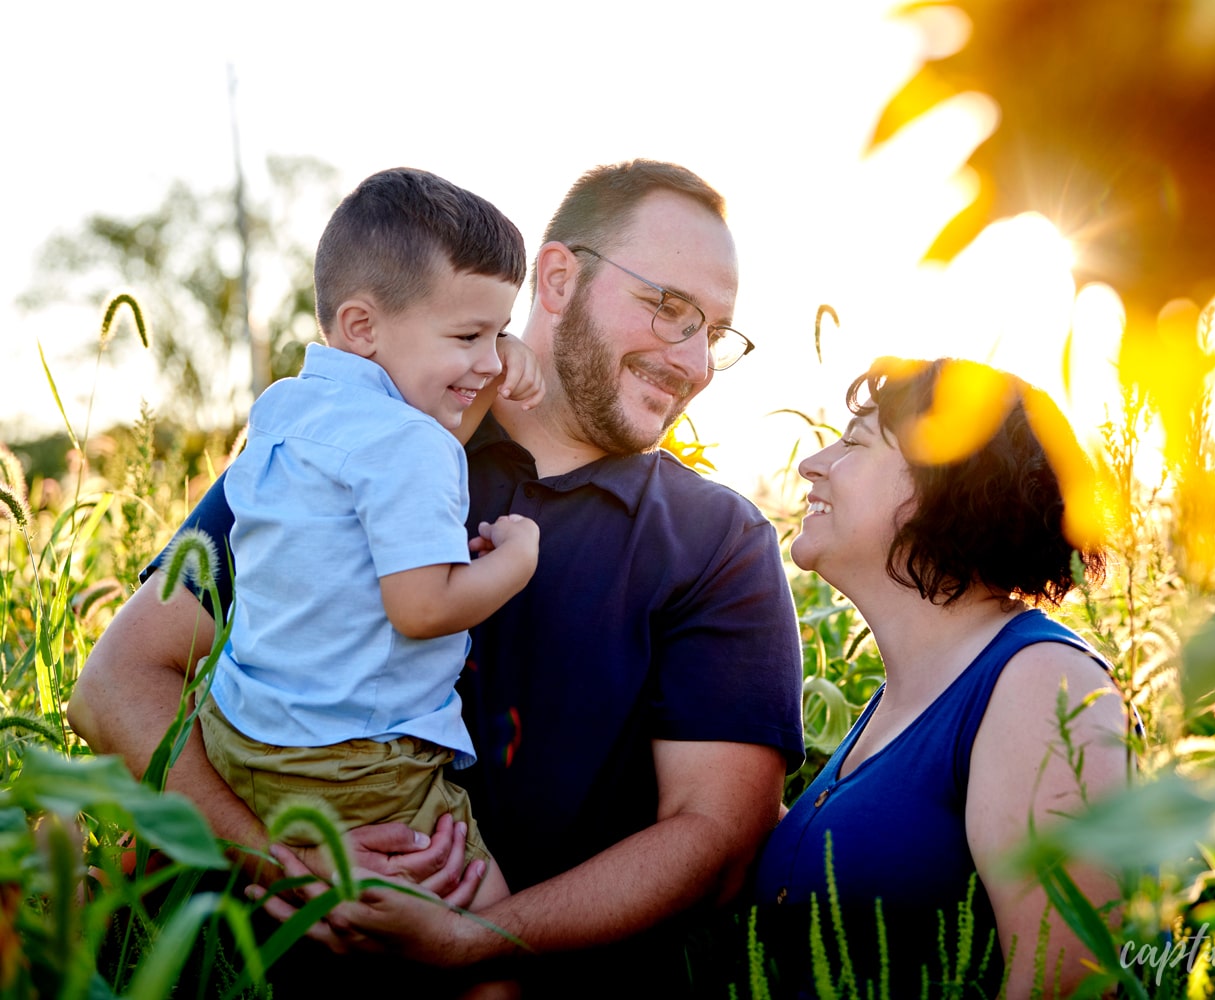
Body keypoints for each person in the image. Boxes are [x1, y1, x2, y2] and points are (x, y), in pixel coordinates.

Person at [68, 160, 805, 998]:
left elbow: (719, 837)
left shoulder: (719, 541)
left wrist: (472, 942)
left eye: (714, 332)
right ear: (558, 277)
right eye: (669, 308)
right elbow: (115, 683)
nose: (694, 361)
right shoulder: (355, 444)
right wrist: (278, 864)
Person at [198, 167, 542, 931]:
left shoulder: (284, 409)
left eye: (501, 332)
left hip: (243, 735)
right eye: (469, 335)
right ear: (361, 326)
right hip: (358, 762)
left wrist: (475, 367)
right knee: (484, 932)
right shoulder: (412, 445)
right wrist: (514, 560)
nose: (491, 359)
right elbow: (420, 607)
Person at [746, 357, 1127, 998]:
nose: (814, 464)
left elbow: (1065, 984)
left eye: (856, 442)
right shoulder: (898, 700)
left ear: (942, 481)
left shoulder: (1040, 682)